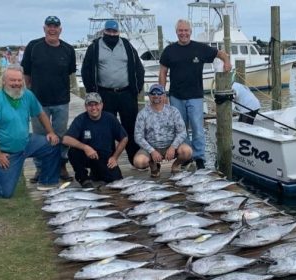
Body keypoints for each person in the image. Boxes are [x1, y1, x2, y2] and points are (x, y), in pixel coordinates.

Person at [0, 65, 60, 198]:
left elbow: (41, 113)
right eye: (12, 80)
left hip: (26, 142)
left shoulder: (27, 95)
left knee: (53, 143)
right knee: (4, 192)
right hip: (6, 151)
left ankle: (47, 181)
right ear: (4, 81)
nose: (16, 84)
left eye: (19, 80)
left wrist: (50, 132)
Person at [159, 19, 231, 169]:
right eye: (180, 30)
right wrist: (161, 93)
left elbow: (220, 54)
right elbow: (163, 72)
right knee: (181, 129)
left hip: (195, 96)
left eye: (186, 30)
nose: (183, 33)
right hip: (176, 96)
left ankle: (199, 158)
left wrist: (227, 62)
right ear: (176, 32)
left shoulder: (200, 48)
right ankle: (186, 156)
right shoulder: (169, 50)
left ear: (190, 32)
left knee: (198, 128)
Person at [81, 19, 144, 166]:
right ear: (104, 31)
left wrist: (137, 89)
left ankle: (134, 158)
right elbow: (86, 70)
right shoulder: (95, 47)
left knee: (131, 126)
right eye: (109, 31)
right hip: (105, 93)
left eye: (114, 31)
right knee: (106, 127)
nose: (112, 34)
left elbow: (139, 68)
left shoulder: (127, 45)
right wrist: (92, 92)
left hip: (127, 93)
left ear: (118, 32)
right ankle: (106, 159)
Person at [21, 15, 77, 183]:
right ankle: (41, 168)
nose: (52, 29)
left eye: (55, 26)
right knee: (40, 137)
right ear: (44, 28)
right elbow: (26, 73)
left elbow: (70, 72)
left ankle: (61, 165)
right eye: (49, 26)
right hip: (38, 102)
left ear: (60, 29)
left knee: (60, 136)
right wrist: (29, 92)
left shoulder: (68, 49)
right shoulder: (33, 46)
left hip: (61, 101)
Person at [62, 93, 128, 188]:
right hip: (86, 155)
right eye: (90, 105)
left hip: (105, 158)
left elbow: (124, 138)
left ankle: (96, 174)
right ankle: (84, 179)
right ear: (86, 106)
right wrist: (85, 147)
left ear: (101, 105)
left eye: (96, 104)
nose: (93, 108)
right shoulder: (80, 119)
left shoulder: (110, 118)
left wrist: (115, 157)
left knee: (117, 180)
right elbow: (65, 139)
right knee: (73, 152)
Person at [133, 84, 192, 178]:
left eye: (159, 93)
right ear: (149, 96)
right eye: (153, 93)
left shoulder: (173, 111)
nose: (156, 96)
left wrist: (173, 147)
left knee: (187, 151)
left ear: (164, 95)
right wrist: (152, 151)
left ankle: (176, 165)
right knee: (139, 162)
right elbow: (138, 136)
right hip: (151, 148)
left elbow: (182, 132)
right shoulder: (142, 114)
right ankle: (154, 166)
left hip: (170, 146)